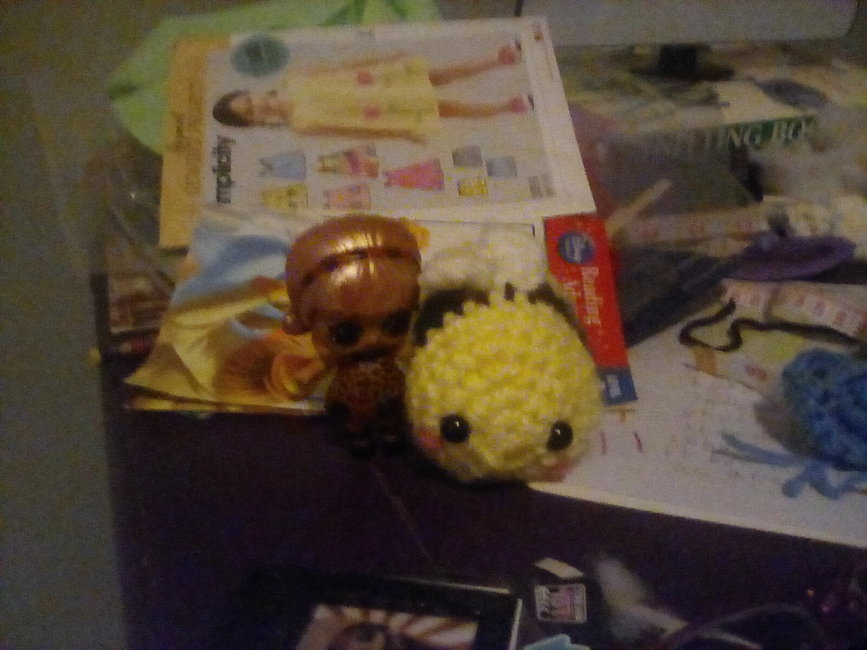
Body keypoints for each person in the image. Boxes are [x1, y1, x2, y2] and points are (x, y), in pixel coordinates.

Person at [212, 44, 530, 141]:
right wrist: (401, 133)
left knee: (442, 75)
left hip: (377, 81)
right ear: (254, 123)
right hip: (382, 111)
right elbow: (352, 130)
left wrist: (385, 60)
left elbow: (344, 66)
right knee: (449, 108)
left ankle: (496, 60)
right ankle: (505, 107)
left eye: (249, 101)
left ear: (251, 91)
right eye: (250, 113)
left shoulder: (294, 79)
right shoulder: (301, 124)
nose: (257, 107)